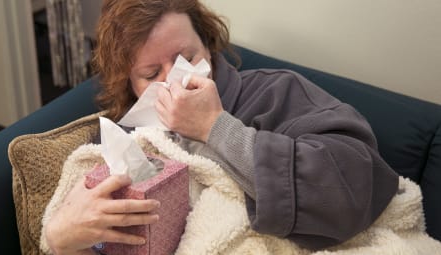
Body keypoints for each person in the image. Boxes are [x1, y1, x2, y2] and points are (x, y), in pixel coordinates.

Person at [45, 0, 399, 254]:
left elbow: (349, 184)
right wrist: (62, 239)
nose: (176, 82)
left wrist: (216, 129)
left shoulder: (276, 91)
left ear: (210, 48)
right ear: (130, 86)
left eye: (188, 58)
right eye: (152, 75)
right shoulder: (124, 141)